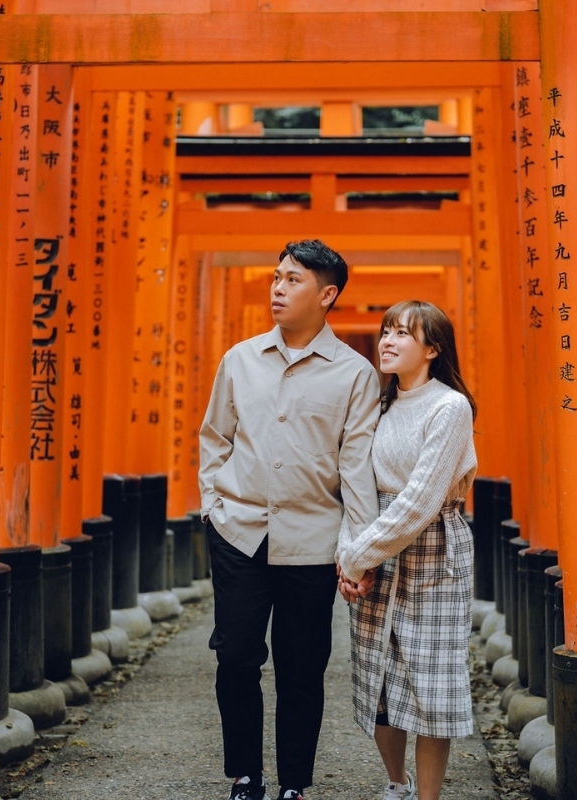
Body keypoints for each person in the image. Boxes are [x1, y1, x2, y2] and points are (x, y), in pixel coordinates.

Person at [199, 239, 381, 800]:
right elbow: (214, 438)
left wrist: (360, 550)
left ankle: (294, 784)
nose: (278, 288)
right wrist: (214, 505)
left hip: (312, 540)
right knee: (235, 656)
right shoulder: (240, 360)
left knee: (302, 667)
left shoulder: (354, 375)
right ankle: (245, 775)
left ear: (327, 295)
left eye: (293, 280)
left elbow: (357, 470)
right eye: (276, 277)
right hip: (240, 532)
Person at [336, 300, 478, 800]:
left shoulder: (449, 407)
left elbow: (420, 501)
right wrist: (349, 553)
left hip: (431, 549)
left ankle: (428, 797)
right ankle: (395, 783)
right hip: (375, 542)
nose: (388, 341)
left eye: (403, 334)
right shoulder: (378, 404)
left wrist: (358, 557)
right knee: (379, 673)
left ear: (433, 349)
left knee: (431, 679)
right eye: (386, 331)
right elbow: (353, 487)